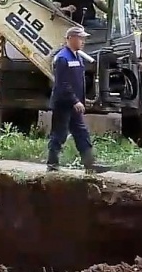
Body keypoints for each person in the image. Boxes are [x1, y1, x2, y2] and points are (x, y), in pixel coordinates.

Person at [47, 25, 112, 173]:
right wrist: (74, 100)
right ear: (70, 39)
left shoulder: (77, 56)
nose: (83, 41)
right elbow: (62, 84)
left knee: (81, 133)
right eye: (80, 38)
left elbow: (78, 81)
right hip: (63, 103)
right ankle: (52, 165)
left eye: (83, 38)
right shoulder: (62, 58)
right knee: (59, 133)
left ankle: (90, 164)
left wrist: (81, 100)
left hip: (75, 103)